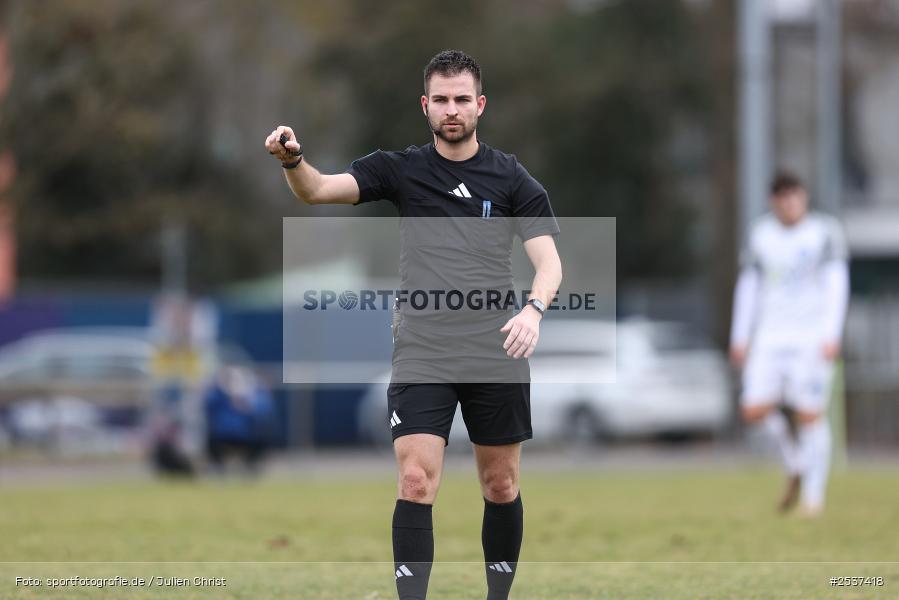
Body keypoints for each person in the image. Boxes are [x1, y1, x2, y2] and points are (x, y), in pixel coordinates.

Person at [265, 50, 562, 600]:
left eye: (462, 100)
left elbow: (549, 263)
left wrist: (532, 310)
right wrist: (292, 160)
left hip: (495, 347)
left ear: (481, 105)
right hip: (423, 347)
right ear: (426, 105)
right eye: (442, 100)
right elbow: (318, 189)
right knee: (415, 480)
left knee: (500, 485)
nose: (452, 110)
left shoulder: (512, 177)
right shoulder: (400, 169)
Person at [730, 170, 849, 517]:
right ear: (774, 202)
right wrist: (740, 335)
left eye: (795, 196)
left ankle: (814, 498)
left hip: (810, 338)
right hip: (769, 336)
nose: (790, 204)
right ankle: (795, 462)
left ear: (804, 198)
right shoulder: (761, 234)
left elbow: (836, 285)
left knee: (810, 415)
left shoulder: (824, 233)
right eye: (783, 198)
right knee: (752, 409)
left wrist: (832, 333)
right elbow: (748, 286)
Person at [203, 365, 274, 475]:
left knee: (263, 436)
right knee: (211, 439)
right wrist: (220, 391)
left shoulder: (253, 394)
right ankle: (217, 467)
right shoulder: (219, 394)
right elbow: (208, 405)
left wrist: (248, 404)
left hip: (247, 436)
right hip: (223, 436)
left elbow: (264, 411)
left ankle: (251, 466)